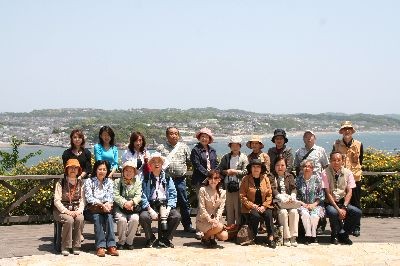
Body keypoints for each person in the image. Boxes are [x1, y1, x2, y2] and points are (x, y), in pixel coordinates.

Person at [156, 127, 195, 233]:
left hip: (180, 180)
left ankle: (188, 225)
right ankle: (165, 225)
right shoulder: (161, 148)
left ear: (179, 135)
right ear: (167, 136)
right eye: (171, 134)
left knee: (184, 202)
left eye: (176, 134)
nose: (174, 135)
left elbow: (190, 161)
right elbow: (155, 163)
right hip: (165, 180)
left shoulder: (184, 147)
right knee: (164, 202)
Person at [139, 152, 181, 248]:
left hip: (165, 204)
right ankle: (151, 238)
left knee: (176, 216)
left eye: (159, 162)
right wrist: (150, 209)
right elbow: (142, 195)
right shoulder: (145, 178)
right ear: (150, 165)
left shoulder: (167, 178)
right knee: (143, 216)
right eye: (153, 162)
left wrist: (168, 209)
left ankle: (165, 239)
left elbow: (173, 194)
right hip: (151, 204)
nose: (156, 164)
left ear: (162, 164)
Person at [322, 151, 362, 245]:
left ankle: (344, 234)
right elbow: (327, 193)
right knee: (333, 212)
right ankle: (334, 234)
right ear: (330, 161)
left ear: (342, 161)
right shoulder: (324, 173)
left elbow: (350, 192)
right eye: (334, 160)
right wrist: (338, 209)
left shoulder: (348, 173)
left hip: (343, 202)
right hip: (330, 203)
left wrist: (343, 207)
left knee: (357, 212)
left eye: (338, 160)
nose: (336, 162)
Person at [332, 121, 364, 237]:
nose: (347, 131)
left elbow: (361, 160)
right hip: (341, 178)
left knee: (356, 204)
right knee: (342, 203)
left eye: (349, 129)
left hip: (355, 178)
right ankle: (344, 227)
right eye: (344, 129)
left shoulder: (359, 144)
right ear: (341, 131)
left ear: (352, 131)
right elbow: (333, 161)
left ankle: (356, 227)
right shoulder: (336, 144)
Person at [84, 160, 119, 257]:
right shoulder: (89, 181)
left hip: (105, 208)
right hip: (91, 209)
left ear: (107, 171)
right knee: (97, 217)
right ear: (95, 170)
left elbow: (111, 196)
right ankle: (100, 246)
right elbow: (89, 198)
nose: (102, 171)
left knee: (109, 217)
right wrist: (101, 205)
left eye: (104, 169)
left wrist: (107, 204)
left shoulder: (109, 182)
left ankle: (111, 245)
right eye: (100, 169)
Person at [240, 159, 276, 248]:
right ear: (251, 168)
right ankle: (253, 236)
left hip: (264, 205)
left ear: (261, 169)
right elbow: (242, 196)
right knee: (255, 216)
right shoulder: (246, 179)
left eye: (258, 167)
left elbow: (269, 194)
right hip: (250, 206)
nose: (256, 169)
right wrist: (252, 205)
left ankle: (271, 237)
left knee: (268, 214)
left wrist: (264, 206)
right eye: (254, 166)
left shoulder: (265, 179)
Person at [53, 159, 85, 256]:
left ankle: (76, 245)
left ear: (78, 170)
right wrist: (66, 211)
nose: (73, 170)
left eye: (75, 168)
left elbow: (83, 200)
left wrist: (79, 211)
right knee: (69, 220)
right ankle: (66, 246)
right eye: (70, 167)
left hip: (76, 209)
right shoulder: (60, 183)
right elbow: (56, 201)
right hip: (61, 210)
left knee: (80, 218)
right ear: (66, 170)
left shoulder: (81, 183)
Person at [218, 136, 248, 226]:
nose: (235, 147)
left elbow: (246, 171)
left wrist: (235, 172)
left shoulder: (243, 157)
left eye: (237, 145)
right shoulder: (226, 157)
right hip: (228, 185)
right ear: (230, 146)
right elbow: (220, 169)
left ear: (240, 146)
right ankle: (230, 227)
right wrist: (226, 172)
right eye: (233, 145)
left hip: (239, 186)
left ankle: (238, 227)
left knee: (238, 207)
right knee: (229, 208)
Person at [271, 157, 299, 247]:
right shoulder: (271, 176)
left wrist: (292, 196)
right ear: (274, 166)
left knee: (294, 212)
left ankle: (293, 236)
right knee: (283, 212)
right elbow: (273, 189)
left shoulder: (290, 176)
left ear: (286, 166)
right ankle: (286, 237)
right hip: (278, 204)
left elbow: (294, 188)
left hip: (289, 202)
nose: (280, 167)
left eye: (282, 165)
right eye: (277, 165)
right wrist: (280, 196)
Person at [113, 161, 142, 250]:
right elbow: (115, 195)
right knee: (122, 220)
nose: (128, 173)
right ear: (123, 171)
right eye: (126, 170)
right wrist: (125, 203)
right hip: (120, 207)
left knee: (135, 219)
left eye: (131, 171)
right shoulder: (118, 181)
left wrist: (132, 202)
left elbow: (138, 195)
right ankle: (121, 241)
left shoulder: (137, 182)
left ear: (134, 172)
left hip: (133, 207)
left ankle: (129, 242)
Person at [196, 170, 228, 247]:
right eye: (210, 178)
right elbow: (202, 207)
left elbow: (221, 209)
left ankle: (209, 237)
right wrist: (209, 219)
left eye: (216, 178)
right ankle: (206, 237)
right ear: (208, 179)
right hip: (203, 220)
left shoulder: (223, 192)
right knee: (219, 226)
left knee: (225, 236)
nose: (213, 180)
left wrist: (216, 220)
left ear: (219, 179)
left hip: (216, 220)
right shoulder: (203, 190)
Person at [296, 160, 325, 245]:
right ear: (302, 168)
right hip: (302, 205)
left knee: (314, 216)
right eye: (305, 166)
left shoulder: (318, 179)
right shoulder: (298, 180)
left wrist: (314, 204)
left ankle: (314, 235)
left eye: (309, 166)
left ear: (312, 169)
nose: (307, 168)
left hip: (316, 205)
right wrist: (303, 204)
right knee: (305, 215)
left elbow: (321, 195)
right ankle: (308, 235)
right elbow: (296, 195)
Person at [190, 127, 218, 197]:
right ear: (199, 138)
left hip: (212, 180)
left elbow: (216, 163)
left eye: (206, 137)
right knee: (201, 200)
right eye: (202, 136)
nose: (204, 139)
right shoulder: (195, 150)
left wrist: (214, 174)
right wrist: (208, 174)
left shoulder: (212, 150)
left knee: (211, 199)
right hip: (200, 180)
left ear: (209, 139)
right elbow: (197, 165)